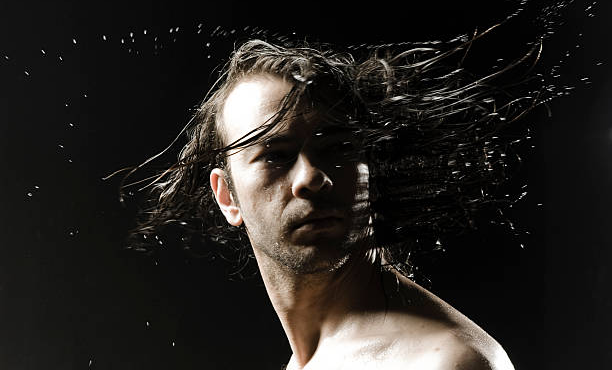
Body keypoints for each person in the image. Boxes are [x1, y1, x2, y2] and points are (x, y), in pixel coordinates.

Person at [129, 39, 526, 369]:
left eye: (337, 148)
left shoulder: (442, 363)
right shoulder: (316, 359)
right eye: (277, 156)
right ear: (228, 197)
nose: (312, 178)